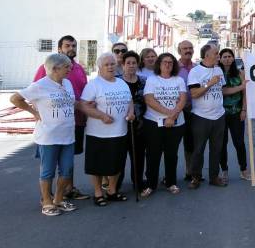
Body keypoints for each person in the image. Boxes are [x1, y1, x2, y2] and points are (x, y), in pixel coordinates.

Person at [12, 53, 78, 216]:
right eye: (67, 66)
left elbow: (70, 102)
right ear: (55, 68)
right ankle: (46, 201)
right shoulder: (40, 85)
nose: (70, 69)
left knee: (67, 170)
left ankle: (58, 199)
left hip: (68, 135)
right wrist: (33, 112)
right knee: (48, 171)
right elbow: (15, 98)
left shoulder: (67, 83)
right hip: (49, 136)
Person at [33, 35, 90, 201]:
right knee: (49, 162)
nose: (71, 48)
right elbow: (35, 94)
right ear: (59, 49)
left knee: (68, 160)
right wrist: (37, 114)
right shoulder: (47, 67)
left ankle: (68, 189)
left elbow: (82, 94)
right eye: (67, 45)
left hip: (75, 121)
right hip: (52, 125)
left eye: (73, 45)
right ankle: (48, 196)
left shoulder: (79, 69)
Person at [78, 53, 134, 206]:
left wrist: (131, 112)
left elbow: (130, 101)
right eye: (106, 65)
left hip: (120, 131)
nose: (110, 67)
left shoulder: (122, 83)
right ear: (100, 67)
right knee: (96, 165)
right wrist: (101, 116)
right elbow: (83, 105)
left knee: (117, 163)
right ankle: (97, 193)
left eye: (112, 64)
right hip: (98, 133)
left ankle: (112, 191)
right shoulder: (94, 85)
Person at [142, 53, 187, 197]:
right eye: (164, 62)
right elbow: (149, 99)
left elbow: (182, 100)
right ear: (159, 64)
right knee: (153, 154)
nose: (167, 65)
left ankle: (171, 182)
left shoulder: (179, 80)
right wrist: (169, 114)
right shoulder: (152, 79)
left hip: (176, 123)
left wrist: (172, 116)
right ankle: (150, 184)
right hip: (154, 122)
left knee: (171, 154)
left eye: (170, 62)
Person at [187, 44, 227, 188]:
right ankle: (196, 177)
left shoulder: (218, 69)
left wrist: (242, 87)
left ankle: (214, 177)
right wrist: (210, 83)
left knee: (217, 149)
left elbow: (223, 90)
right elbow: (194, 94)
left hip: (219, 116)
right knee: (198, 149)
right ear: (207, 55)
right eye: (216, 53)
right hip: (201, 117)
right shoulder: (195, 72)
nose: (218, 56)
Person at [115, 50, 147, 194]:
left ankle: (138, 182)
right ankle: (115, 185)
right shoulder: (116, 81)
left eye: (134, 63)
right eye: (128, 63)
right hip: (119, 124)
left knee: (138, 156)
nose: (131, 65)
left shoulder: (144, 81)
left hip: (139, 124)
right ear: (123, 65)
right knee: (119, 157)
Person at [218, 48, 249, 183]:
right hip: (220, 114)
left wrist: (244, 110)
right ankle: (224, 170)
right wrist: (240, 87)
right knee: (222, 143)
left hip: (236, 113)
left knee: (239, 142)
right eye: (224, 56)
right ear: (220, 58)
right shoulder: (217, 73)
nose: (227, 59)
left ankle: (243, 170)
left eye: (229, 56)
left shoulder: (241, 73)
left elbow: (245, 94)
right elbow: (222, 91)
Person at [176, 40, 197, 181]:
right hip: (177, 110)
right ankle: (169, 175)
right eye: (185, 48)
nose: (188, 50)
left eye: (190, 48)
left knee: (191, 143)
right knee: (172, 144)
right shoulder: (173, 67)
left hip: (194, 109)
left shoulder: (197, 67)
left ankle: (190, 171)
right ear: (179, 51)